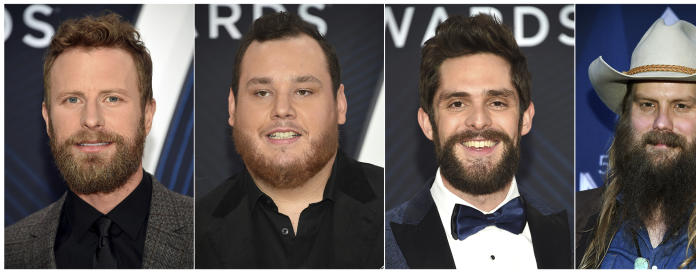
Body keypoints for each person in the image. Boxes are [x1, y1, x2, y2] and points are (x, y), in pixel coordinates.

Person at [4, 12, 193, 269]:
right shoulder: (10, 252)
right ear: (47, 119)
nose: (91, 119)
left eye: (112, 98)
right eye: (73, 99)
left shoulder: (211, 237)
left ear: (147, 115)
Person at [195, 12, 384, 268]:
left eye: (303, 91)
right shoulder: (193, 233)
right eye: (262, 92)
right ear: (232, 107)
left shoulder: (394, 212)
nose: (282, 109)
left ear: (340, 104)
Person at [384, 14, 572, 269]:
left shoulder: (576, 237)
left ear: (525, 119)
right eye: (457, 103)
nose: (479, 121)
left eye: (497, 102)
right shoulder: (379, 245)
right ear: (428, 123)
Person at [576, 15, 696, 269]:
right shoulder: (576, 218)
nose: (661, 123)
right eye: (647, 105)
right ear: (627, 113)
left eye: (681, 106)